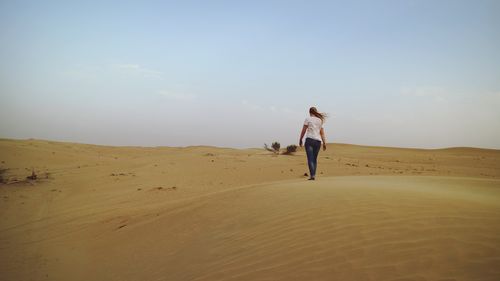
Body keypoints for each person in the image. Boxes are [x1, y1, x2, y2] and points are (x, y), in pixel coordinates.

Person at [299, 107, 327, 180]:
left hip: (310, 140)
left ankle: (312, 175)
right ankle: (313, 175)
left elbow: (303, 130)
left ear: (309, 112)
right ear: (316, 112)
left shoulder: (308, 119)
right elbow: (322, 133)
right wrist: (324, 143)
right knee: (314, 159)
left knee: (310, 159)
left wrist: (300, 139)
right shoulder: (320, 120)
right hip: (318, 141)